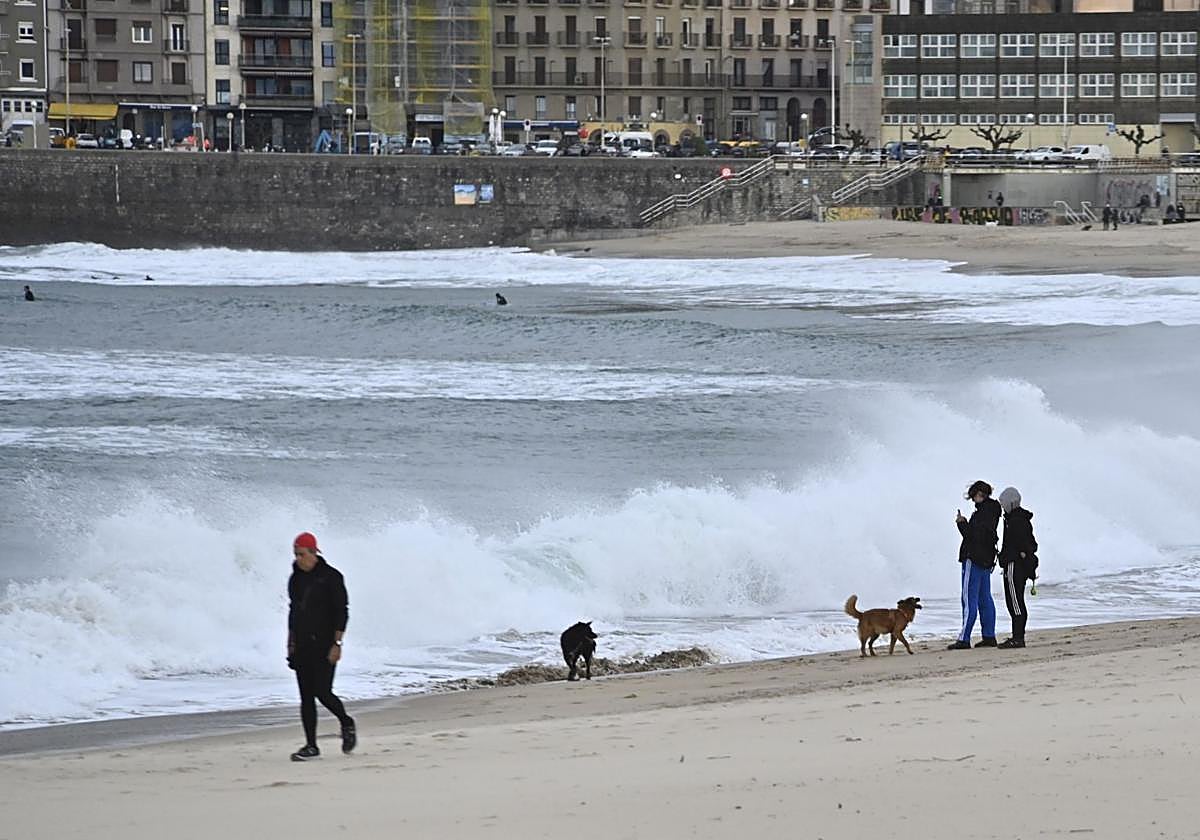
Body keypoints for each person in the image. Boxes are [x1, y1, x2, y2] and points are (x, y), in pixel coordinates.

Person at [287, 531, 356, 761]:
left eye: (302, 554)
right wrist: (291, 642)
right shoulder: (295, 578)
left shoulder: (331, 577)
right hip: (303, 645)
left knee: (322, 692)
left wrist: (337, 643)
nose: (298, 558)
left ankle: (346, 722)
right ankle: (311, 746)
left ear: (314, 553)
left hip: (325, 645)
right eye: (296, 554)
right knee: (306, 696)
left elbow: (342, 611)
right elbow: (293, 611)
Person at [948, 480, 1002, 650]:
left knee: (969, 598)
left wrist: (961, 523)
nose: (973, 500)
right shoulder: (993, 511)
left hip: (974, 558)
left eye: (974, 497)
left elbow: (973, 536)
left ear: (980, 494)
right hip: (986, 559)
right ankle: (989, 635)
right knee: (985, 598)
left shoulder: (982, 514)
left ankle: (964, 638)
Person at [997, 487, 1038, 649]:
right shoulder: (1015, 519)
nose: (1002, 506)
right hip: (1015, 564)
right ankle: (1017, 636)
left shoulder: (1017, 521)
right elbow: (1032, 544)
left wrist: (1011, 556)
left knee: (1015, 602)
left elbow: (1025, 545)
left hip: (1015, 566)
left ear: (1011, 502)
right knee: (1015, 601)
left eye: (1003, 503)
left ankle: (1018, 638)